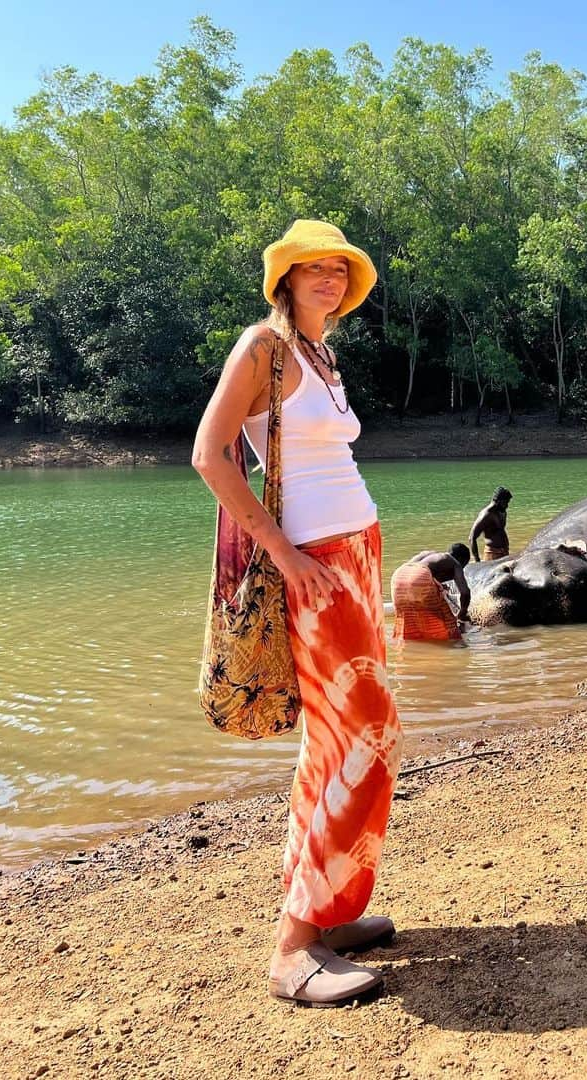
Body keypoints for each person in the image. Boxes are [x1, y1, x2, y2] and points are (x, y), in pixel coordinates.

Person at [192, 220, 401, 1007]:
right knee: (369, 737)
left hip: (356, 552)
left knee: (331, 741)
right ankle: (290, 948)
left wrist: (356, 556)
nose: (329, 279)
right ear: (284, 279)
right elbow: (210, 456)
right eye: (312, 269)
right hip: (311, 566)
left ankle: (329, 911)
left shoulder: (322, 355)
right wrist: (285, 557)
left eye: (338, 269)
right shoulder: (262, 347)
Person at [391, 543, 471, 641]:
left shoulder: (431, 556)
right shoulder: (454, 562)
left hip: (399, 576)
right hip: (420, 575)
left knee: (409, 617)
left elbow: (412, 578)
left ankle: (413, 643)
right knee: (448, 622)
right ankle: (456, 647)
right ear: (462, 560)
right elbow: (465, 592)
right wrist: (462, 614)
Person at [469, 486, 512, 561]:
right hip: (492, 554)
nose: (507, 505)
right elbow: (472, 537)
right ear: (498, 501)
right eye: (505, 502)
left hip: (504, 552)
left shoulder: (502, 511)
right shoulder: (486, 515)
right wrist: (477, 560)